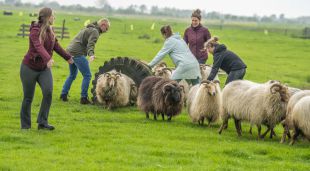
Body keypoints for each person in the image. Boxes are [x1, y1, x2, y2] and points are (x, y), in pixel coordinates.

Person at [20, 7, 74, 130]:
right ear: (47, 17)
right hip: (29, 68)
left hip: (44, 69)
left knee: (48, 92)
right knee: (28, 97)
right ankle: (25, 126)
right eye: (53, 15)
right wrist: (48, 59)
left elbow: (56, 45)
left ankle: (42, 123)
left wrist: (68, 58)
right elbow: (38, 46)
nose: (54, 17)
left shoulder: (50, 30)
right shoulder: (35, 29)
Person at [60, 18, 110, 104]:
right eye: (107, 28)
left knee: (72, 75)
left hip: (69, 51)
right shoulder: (95, 31)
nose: (106, 31)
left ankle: (63, 94)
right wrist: (91, 54)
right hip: (77, 53)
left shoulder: (89, 27)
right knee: (87, 75)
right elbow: (91, 44)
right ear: (103, 25)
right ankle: (84, 98)